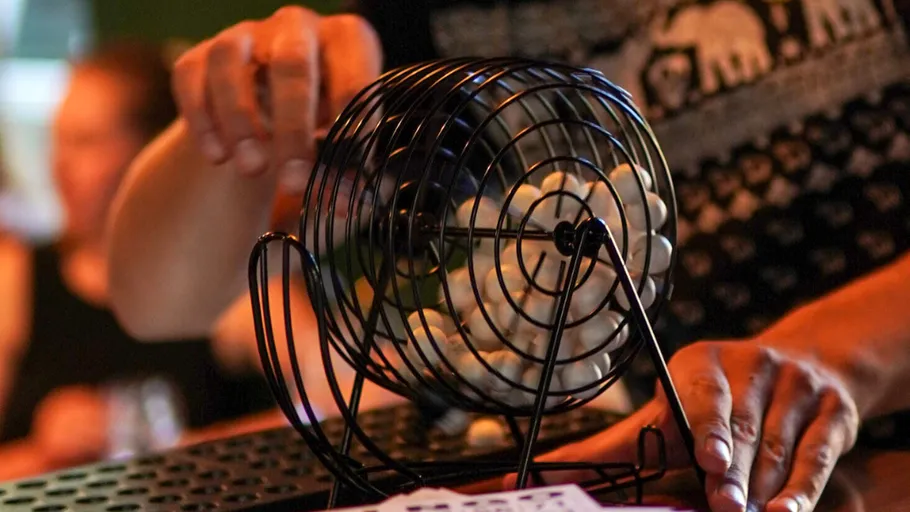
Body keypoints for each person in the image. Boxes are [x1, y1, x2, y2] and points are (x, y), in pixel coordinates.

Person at [106, 3, 910, 511]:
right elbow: (158, 299)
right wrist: (240, 111)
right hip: (624, 483)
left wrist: (821, 359)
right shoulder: (437, 25)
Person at [0, 41, 276, 480]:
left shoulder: (228, 277)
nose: (59, 165)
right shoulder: (15, 277)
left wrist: (180, 448)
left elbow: (335, 407)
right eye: (57, 141)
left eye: (85, 142)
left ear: (152, 156)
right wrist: (44, 451)